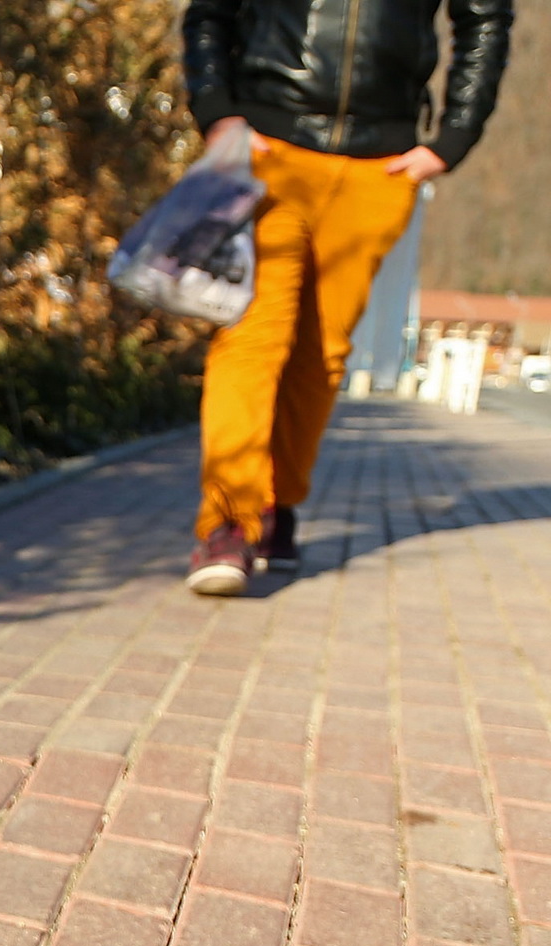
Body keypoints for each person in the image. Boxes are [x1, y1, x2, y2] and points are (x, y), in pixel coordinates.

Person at [180, 0, 511, 596]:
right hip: (270, 144)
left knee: (324, 353)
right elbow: (210, 11)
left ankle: (277, 509)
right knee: (251, 335)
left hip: (378, 165)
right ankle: (229, 521)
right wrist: (216, 110)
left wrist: (454, 136)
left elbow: (484, 18)